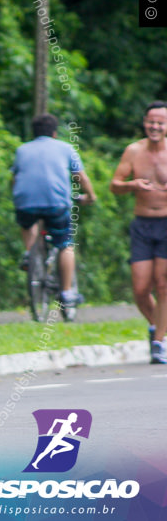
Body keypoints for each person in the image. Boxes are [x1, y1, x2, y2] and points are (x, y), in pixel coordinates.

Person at [11, 114, 96, 316]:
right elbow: (80, 177)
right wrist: (90, 196)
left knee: (27, 223)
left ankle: (29, 253)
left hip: (25, 202)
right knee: (65, 244)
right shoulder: (65, 148)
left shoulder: (21, 150)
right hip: (56, 203)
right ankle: (67, 293)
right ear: (55, 133)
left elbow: (14, 179)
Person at [109, 101, 167, 364]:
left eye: (160, 122)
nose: (155, 126)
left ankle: (158, 343)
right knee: (141, 289)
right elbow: (114, 185)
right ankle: (160, 328)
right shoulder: (133, 151)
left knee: (163, 285)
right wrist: (133, 185)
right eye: (151, 122)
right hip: (142, 225)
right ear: (144, 123)